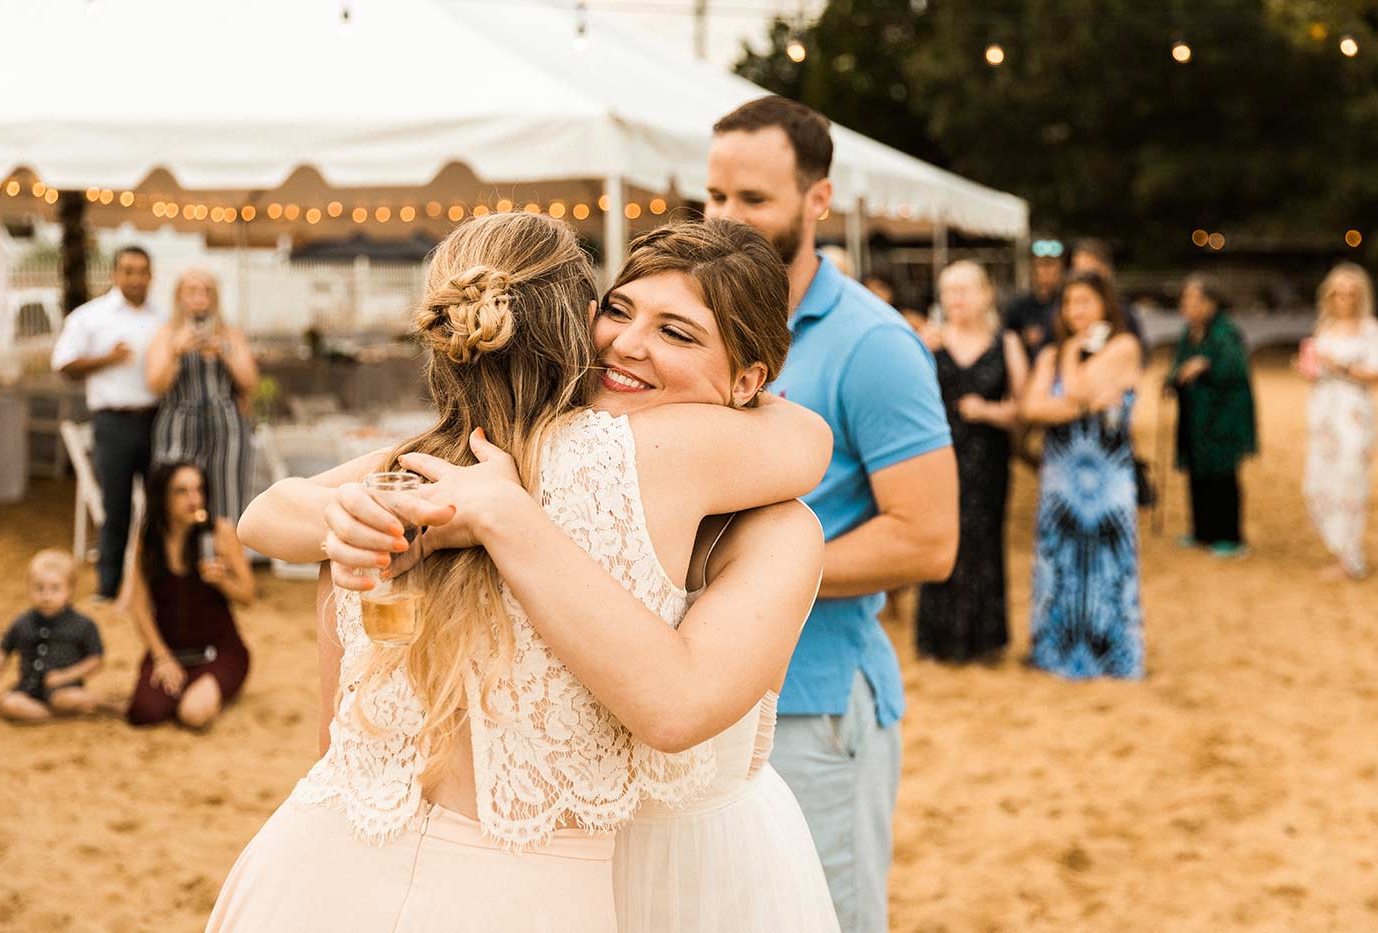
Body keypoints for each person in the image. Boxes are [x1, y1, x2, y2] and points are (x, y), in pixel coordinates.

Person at [212, 214, 835, 932]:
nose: (627, 344)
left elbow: (680, 704)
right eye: (619, 309)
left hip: (697, 876)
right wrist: (349, 518)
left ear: (751, 381)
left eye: (677, 332)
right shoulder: (472, 463)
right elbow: (273, 519)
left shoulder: (764, 520)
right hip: (527, 877)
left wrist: (490, 516)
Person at [705, 95, 956, 933]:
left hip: (813, 708)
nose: (726, 218)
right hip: (701, 703)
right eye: (714, 196)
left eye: (753, 199)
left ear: (819, 201)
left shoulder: (873, 343)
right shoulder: (693, 328)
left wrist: (749, 580)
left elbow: (928, 539)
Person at [1022, 270, 1145, 680]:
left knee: (1109, 564)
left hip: (1108, 479)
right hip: (1061, 477)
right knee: (1060, 565)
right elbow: (1032, 410)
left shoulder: (1124, 346)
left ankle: (1110, 655)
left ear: (1105, 304)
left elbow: (1070, 392)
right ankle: (1057, 651)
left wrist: (1072, 358)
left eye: (1085, 302)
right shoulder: (1048, 355)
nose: (1076, 311)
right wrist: (1080, 397)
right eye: (1069, 302)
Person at [916, 261, 1027, 663]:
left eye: (965, 290)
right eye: (949, 291)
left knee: (984, 541)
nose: (957, 299)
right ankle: (938, 639)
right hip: (939, 457)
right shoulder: (928, 342)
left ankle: (985, 641)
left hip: (988, 460)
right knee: (941, 538)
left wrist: (987, 412)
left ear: (986, 294)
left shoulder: (1006, 343)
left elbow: (1023, 409)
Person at [51, 246, 167, 600]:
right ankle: (108, 586)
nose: (135, 278)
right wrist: (108, 358)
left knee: (159, 505)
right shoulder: (90, 317)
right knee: (115, 506)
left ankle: (155, 583)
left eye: (141, 271)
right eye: (128, 271)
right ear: (115, 275)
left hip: (157, 420)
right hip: (113, 422)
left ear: (150, 276)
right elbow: (63, 365)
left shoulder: (163, 318)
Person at [123, 461, 254, 727]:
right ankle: (186, 689)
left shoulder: (219, 533)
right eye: (181, 491)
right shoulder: (148, 538)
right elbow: (137, 606)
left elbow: (248, 595)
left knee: (192, 715)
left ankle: (208, 689)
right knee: (144, 713)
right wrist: (161, 657)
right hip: (172, 650)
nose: (193, 499)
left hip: (218, 652)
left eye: (198, 489)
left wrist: (223, 581)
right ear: (162, 497)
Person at [147, 269, 258, 522]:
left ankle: (223, 557)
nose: (200, 297)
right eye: (192, 290)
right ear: (179, 296)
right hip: (178, 426)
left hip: (226, 428)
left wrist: (225, 354)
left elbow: (250, 383)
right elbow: (155, 385)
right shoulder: (166, 333)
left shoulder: (229, 333)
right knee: (174, 497)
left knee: (228, 500)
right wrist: (177, 352)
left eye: (207, 291)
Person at [1168, 274, 1257, 557]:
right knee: (1197, 473)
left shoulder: (1225, 333)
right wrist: (1173, 380)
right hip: (1195, 419)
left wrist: (1204, 367)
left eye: (1194, 299)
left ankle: (1230, 536)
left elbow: (1233, 372)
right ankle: (1202, 530)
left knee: (1222, 475)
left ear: (1211, 303)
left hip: (1223, 419)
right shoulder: (1188, 333)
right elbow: (1178, 367)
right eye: (1185, 300)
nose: (1188, 305)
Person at [1300, 262, 1378, 580]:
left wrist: (1339, 367)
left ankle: (1352, 558)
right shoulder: (1325, 328)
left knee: (1351, 483)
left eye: (1350, 293)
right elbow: (1318, 372)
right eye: (1338, 293)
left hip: (1354, 416)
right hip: (1324, 415)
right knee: (1319, 482)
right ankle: (1340, 549)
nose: (1343, 299)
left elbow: (1374, 374)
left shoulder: (1370, 329)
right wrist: (1310, 368)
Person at [0, 550, 107, 721]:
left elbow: (96, 660)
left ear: (70, 590)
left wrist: (65, 676)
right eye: (39, 588)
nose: (46, 596)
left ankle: (93, 706)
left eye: (55, 588)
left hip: (65, 689)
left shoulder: (84, 624)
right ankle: (52, 717)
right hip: (28, 691)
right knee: (9, 704)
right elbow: (2, 653)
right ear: (29, 589)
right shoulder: (22, 622)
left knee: (67, 699)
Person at [1070, 238, 1147, 349]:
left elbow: (1139, 353)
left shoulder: (1122, 313)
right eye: (1077, 270)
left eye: (1089, 271)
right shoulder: (1060, 312)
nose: (1082, 278)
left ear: (1105, 270)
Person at [1004, 236, 1065, 361]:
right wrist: (1023, 337)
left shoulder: (1067, 302)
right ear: (1033, 268)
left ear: (1060, 268)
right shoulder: (1019, 305)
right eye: (1041, 265)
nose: (1046, 271)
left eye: (1051, 265)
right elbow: (1006, 337)